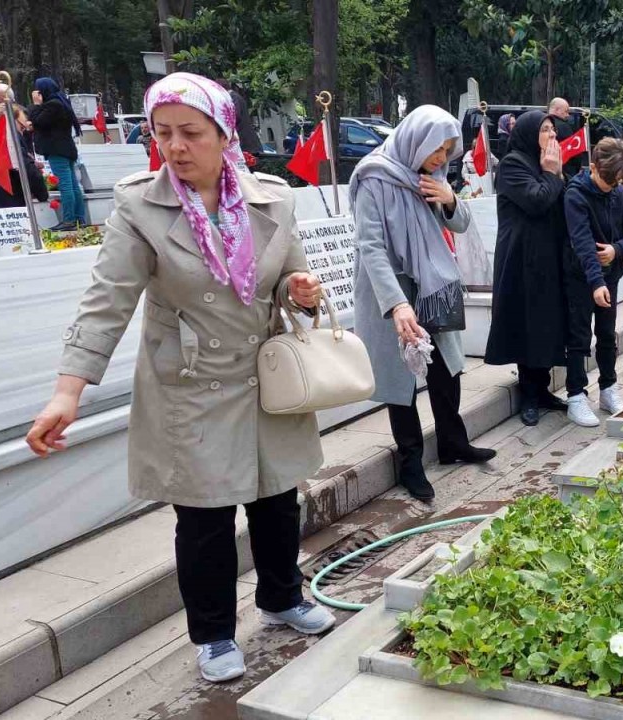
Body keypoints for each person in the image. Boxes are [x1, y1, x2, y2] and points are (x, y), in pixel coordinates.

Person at [25, 72, 335, 686]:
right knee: (204, 518)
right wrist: (69, 390)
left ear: (224, 135)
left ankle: (282, 597)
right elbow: (105, 301)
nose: (175, 146)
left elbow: (292, 281)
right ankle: (215, 633)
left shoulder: (272, 198)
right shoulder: (141, 206)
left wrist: (300, 292)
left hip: (263, 379)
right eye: (163, 133)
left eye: (191, 133)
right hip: (191, 385)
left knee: (276, 500)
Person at [350, 105, 497, 502]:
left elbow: (461, 223)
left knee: (446, 369)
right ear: (417, 138)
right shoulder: (374, 176)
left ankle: (453, 444)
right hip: (392, 287)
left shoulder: (432, 176)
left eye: (448, 151)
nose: (441, 159)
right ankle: (411, 463)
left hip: (432, 282)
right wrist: (397, 304)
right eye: (438, 149)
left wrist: (449, 198)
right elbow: (371, 247)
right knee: (401, 380)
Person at [485, 110, 569, 426]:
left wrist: (557, 175)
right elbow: (536, 200)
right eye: (546, 130)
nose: (552, 136)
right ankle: (529, 394)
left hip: (548, 256)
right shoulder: (513, 165)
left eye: (553, 131)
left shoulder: (548, 165)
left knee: (547, 321)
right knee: (527, 321)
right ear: (529, 133)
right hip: (521, 258)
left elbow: (562, 198)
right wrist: (551, 174)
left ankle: (543, 388)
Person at [562, 138, 623, 427]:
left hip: (611, 275)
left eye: (617, 182)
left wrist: (615, 250)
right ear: (592, 167)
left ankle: (608, 388)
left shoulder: (619, 193)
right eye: (607, 181)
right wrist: (596, 282)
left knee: (607, 334)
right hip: (581, 279)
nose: (612, 187)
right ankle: (576, 395)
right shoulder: (576, 195)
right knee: (579, 336)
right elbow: (581, 243)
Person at [28, 77, 88, 230]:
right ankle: (79, 219)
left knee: (66, 186)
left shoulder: (52, 105)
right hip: (66, 148)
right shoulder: (61, 102)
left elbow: (38, 121)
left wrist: (36, 105)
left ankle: (69, 220)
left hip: (57, 150)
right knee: (74, 185)